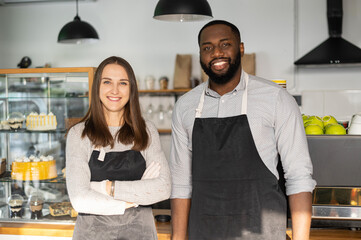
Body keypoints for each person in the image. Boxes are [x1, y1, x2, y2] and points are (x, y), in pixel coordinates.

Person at [169, 20, 316, 240]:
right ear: (200, 54)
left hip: (263, 233)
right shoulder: (185, 106)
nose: (216, 52)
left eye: (225, 44)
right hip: (204, 232)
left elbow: (299, 178)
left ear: (241, 48)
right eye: (207, 47)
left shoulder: (276, 99)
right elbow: (181, 185)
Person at [66, 56, 171, 240]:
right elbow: (80, 200)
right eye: (107, 82)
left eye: (122, 83)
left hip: (140, 233)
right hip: (92, 235)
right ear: (97, 86)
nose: (115, 90)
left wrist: (105, 187)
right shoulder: (79, 134)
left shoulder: (147, 131)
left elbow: (163, 188)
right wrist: (131, 200)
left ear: (131, 89)